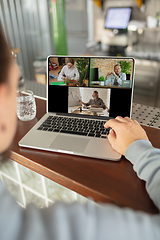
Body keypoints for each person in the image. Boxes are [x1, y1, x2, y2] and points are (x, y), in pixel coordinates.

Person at [0, 26, 160, 240]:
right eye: (18, 79)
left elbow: (103, 108)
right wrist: (140, 148)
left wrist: (96, 106)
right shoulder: (79, 228)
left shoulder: (101, 96)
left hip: (103, 118)